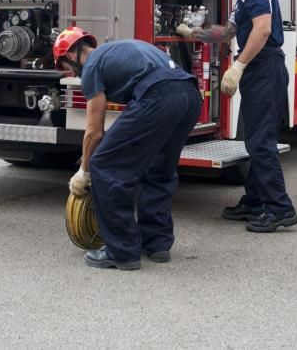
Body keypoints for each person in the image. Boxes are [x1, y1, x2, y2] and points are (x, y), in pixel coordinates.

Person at [176, 0, 297, 233]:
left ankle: (280, 208)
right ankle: (255, 201)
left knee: (260, 142)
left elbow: (264, 28)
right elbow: (228, 30)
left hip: (264, 67)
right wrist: (195, 33)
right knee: (254, 140)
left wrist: (240, 64)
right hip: (259, 70)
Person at [57, 28, 202, 270]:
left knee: (104, 166)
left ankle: (121, 251)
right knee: (159, 167)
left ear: (70, 56)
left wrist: (83, 172)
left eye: (66, 66)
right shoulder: (118, 50)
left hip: (159, 96)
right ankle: (157, 244)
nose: (69, 73)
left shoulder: (92, 66)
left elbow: (94, 131)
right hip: (189, 95)